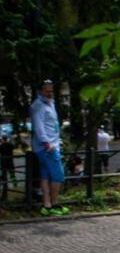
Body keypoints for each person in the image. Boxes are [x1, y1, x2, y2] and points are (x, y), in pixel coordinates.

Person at [30, 80, 69, 216]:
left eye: (51, 91)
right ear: (40, 91)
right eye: (47, 91)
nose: (50, 93)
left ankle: (46, 205)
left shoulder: (49, 103)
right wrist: (47, 142)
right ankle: (54, 204)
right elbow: (39, 125)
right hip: (48, 147)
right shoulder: (39, 105)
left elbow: (51, 124)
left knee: (46, 175)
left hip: (51, 144)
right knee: (58, 176)